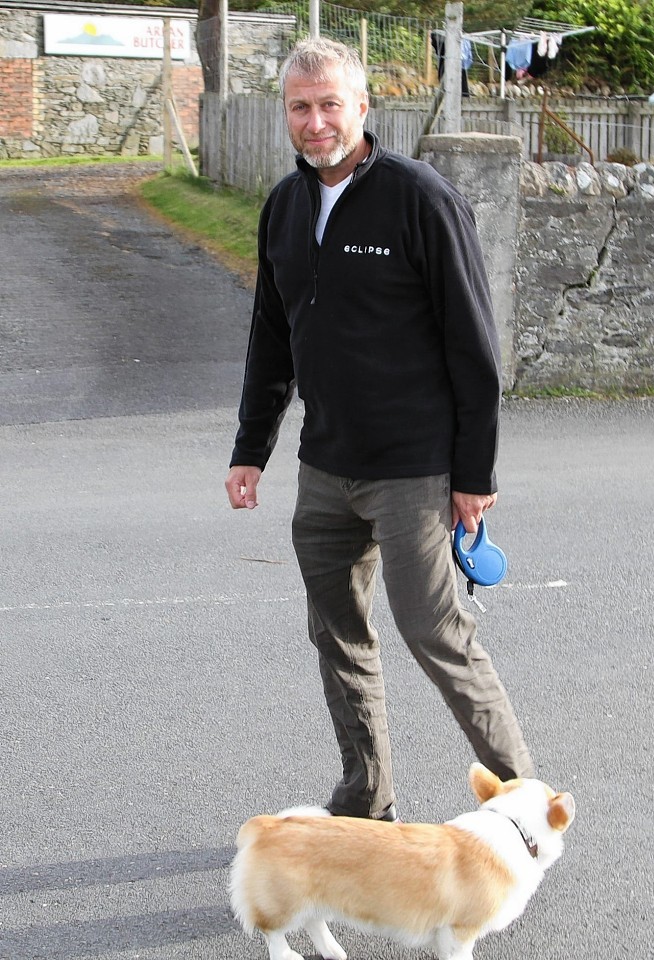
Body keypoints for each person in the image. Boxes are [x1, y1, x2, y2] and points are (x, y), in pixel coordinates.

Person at [225, 37, 534, 821]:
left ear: (363, 108)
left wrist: (475, 476)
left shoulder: (419, 197)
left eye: (331, 103)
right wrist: (250, 450)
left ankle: (525, 803)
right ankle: (366, 801)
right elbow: (272, 333)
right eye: (301, 106)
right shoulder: (284, 206)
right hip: (325, 466)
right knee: (337, 639)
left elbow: (474, 350)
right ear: (285, 114)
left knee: (438, 637)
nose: (316, 120)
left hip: (414, 469)